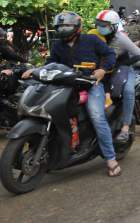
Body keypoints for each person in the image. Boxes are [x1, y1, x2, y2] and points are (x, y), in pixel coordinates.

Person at [46, 11, 121, 177]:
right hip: (66, 86)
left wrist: (102, 69)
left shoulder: (91, 40)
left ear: (77, 26)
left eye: (68, 25)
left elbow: (110, 54)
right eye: (60, 25)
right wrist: (35, 70)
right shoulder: (57, 46)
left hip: (90, 85)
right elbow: (51, 63)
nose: (64, 28)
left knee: (97, 117)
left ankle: (110, 158)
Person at [89, 10, 140, 143]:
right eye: (98, 25)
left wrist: (120, 64)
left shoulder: (121, 39)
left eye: (103, 25)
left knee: (128, 91)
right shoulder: (94, 36)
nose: (100, 28)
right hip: (102, 70)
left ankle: (125, 128)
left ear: (113, 26)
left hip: (123, 69)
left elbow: (139, 55)